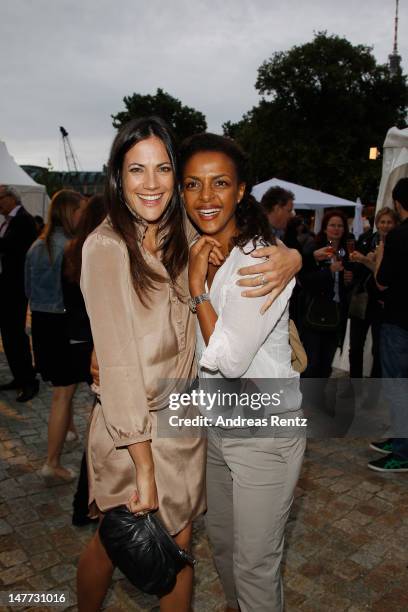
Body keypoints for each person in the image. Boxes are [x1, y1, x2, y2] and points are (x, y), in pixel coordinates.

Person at [77, 116, 302, 612]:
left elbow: (241, 231)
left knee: (178, 547)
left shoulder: (178, 230)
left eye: (163, 169)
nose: (152, 184)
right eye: (137, 170)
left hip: (187, 420)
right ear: (118, 176)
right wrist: (143, 466)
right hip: (130, 426)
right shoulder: (107, 247)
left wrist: (291, 256)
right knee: (115, 543)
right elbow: (117, 367)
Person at [180, 133, 305, 612]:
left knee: (255, 566)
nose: (206, 197)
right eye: (193, 184)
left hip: (265, 434)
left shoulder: (259, 259)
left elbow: (229, 361)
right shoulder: (201, 245)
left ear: (240, 190)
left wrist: (199, 292)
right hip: (221, 426)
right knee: (226, 548)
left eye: (219, 183)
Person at [25, 189, 88, 480]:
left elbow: (27, 290)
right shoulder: (70, 247)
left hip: (42, 324)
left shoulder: (36, 245)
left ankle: (70, 430)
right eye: (80, 210)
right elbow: (78, 297)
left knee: (62, 388)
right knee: (63, 394)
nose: (83, 215)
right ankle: (52, 462)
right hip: (64, 326)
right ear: (69, 212)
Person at [63, 194, 107, 525]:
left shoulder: (73, 249)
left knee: (98, 424)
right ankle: (87, 503)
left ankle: (86, 504)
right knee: (100, 426)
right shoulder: (100, 252)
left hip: (81, 340)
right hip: (99, 347)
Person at [368, 178, 408, 472]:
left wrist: (379, 259)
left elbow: (381, 282)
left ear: (398, 203)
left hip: (398, 321)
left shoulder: (398, 236)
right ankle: (398, 440)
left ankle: (402, 451)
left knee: (397, 388)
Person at [300, 210, 354, 379]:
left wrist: (348, 280)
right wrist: (328, 271)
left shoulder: (347, 251)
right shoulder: (314, 249)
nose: (336, 229)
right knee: (312, 362)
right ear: (325, 228)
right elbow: (304, 279)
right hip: (315, 312)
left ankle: (318, 401)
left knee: (326, 363)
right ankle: (306, 402)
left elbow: (350, 283)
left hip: (337, 313)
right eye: (332, 225)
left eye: (340, 226)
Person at [348, 207, 399, 378]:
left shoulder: (397, 245)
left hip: (383, 303)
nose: (385, 226)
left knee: (378, 349)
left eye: (389, 222)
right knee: (355, 346)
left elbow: (386, 276)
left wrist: (369, 261)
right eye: (382, 222)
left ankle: (373, 393)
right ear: (377, 223)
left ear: (395, 224)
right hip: (361, 299)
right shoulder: (365, 239)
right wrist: (360, 261)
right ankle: (354, 385)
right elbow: (355, 268)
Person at [0, 185, 39, 402]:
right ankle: (19, 376)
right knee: (9, 334)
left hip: (15, 288)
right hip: (7, 286)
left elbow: (12, 248)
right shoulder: (10, 221)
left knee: (15, 334)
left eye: (0, 198)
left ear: (11, 198)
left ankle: (28, 381)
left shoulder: (23, 220)